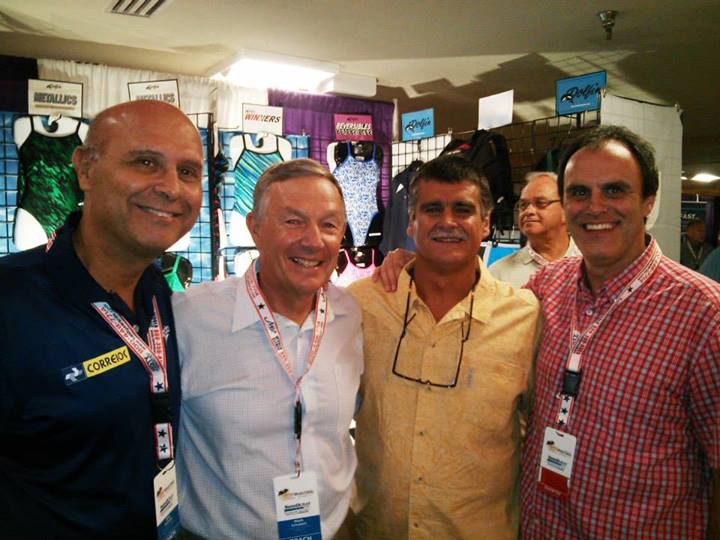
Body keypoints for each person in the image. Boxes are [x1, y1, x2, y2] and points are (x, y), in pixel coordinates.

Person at [0, 100, 203, 537]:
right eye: (145, 162)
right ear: (85, 169)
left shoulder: (159, 291)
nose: (172, 188)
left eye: (188, 171)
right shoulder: (11, 301)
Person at [520, 125, 720, 538]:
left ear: (648, 201)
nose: (595, 207)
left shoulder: (704, 315)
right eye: (579, 193)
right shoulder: (546, 286)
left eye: (614, 190)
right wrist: (413, 268)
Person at [348, 154, 541, 539]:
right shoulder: (363, 304)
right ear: (411, 222)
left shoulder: (524, 316)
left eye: (463, 209)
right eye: (432, 209)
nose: (447, 221)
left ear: (486, 223)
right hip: (376, 529)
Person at [174, 159, 362, 539]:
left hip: (334, 528)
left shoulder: (351, 313)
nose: (313, 240)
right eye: (293, 221)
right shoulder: (190, 318)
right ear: (255, 228)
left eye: (329, 225)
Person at [489, 171, 581, 286]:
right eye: (523, 205)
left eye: (540, 203)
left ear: (565, 210)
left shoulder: (593, 263)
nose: (529, 211)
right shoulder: (499, 274)